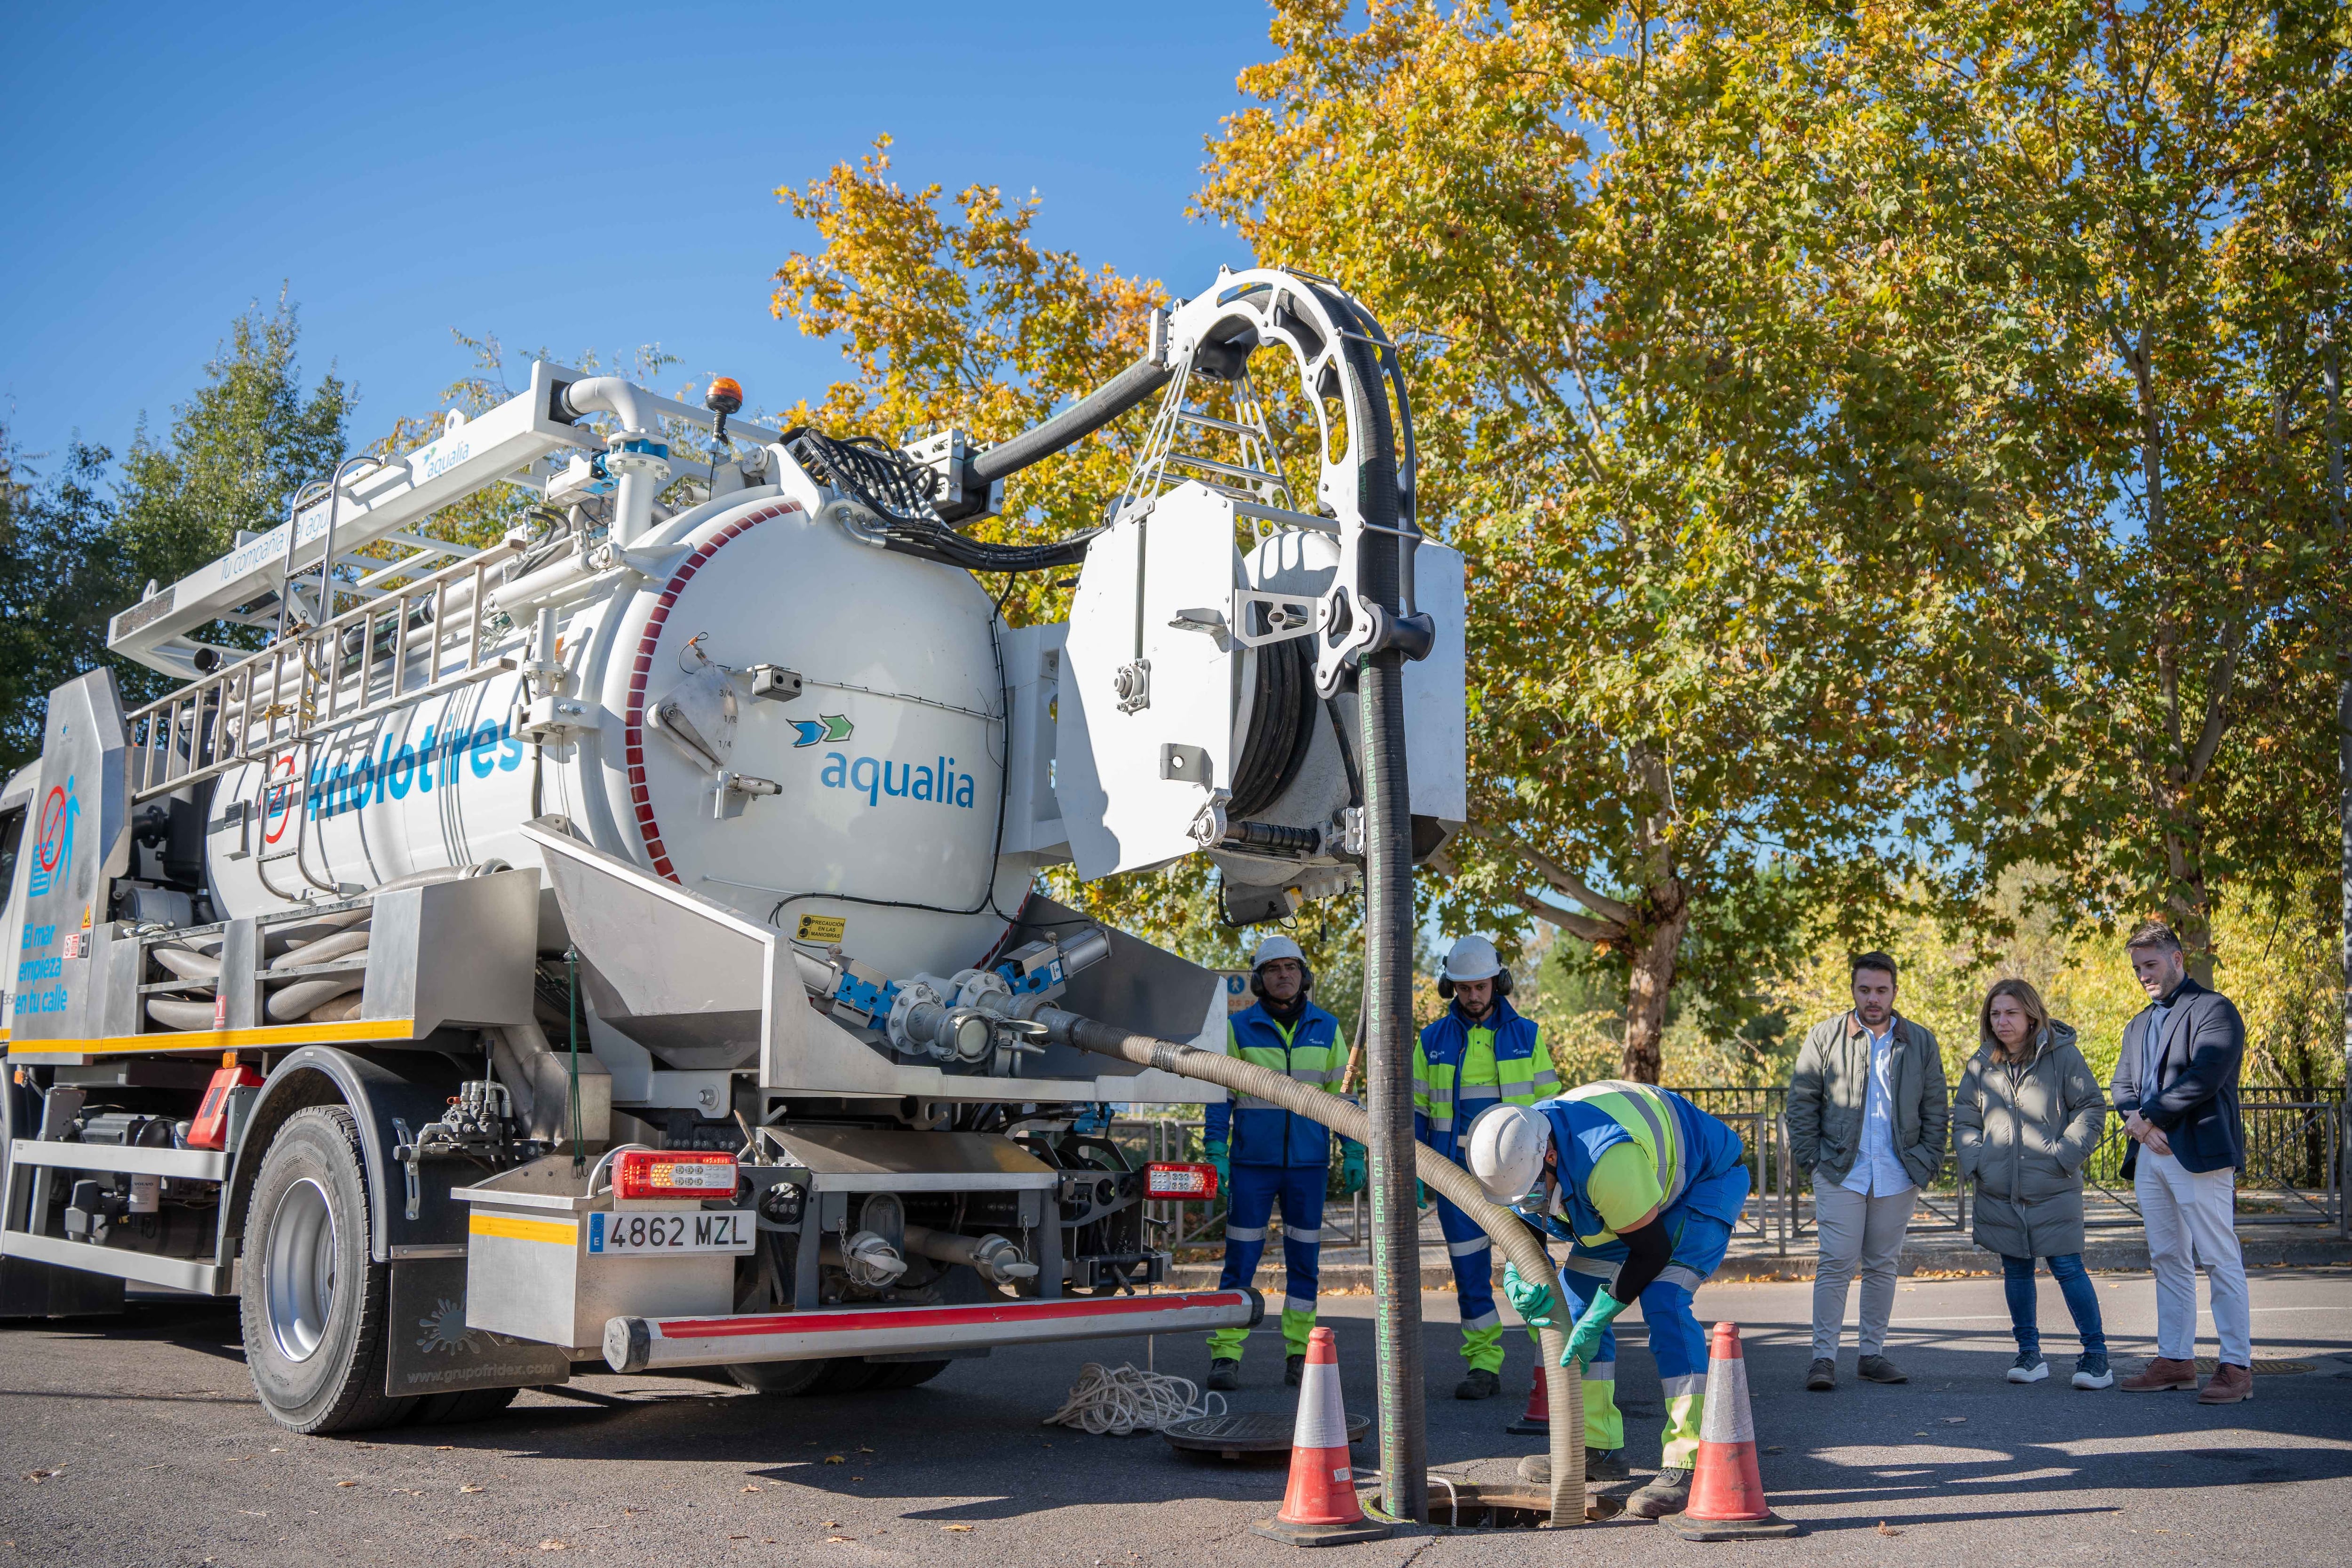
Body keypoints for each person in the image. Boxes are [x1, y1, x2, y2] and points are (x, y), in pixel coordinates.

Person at [1471, 1082, 1752, 1519]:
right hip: (1626, 1200)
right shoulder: (1517, 1152)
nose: (1529, 1203)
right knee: (1574, 1305)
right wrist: (1516, 1273)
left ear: (1550, 1158)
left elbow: (1651, 1251)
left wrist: (1602, 1315)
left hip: (1702, 1182)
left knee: (1664, 1299)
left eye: (1532, 1192)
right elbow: (1524, 1223)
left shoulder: (1605, 1160)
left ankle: (1692, 1459)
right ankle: (1597, 1448)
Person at [1785, 951, 1950, 1391]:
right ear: (1853, 990)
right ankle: (1823, 1359)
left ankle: (1871, 1355)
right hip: (1841, 1170)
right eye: (1864, 990)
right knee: (1836, 1262)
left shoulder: (1920, 1041)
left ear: (1894, 991)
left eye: (1881, 990)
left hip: (1899, 1172)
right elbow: (1801, 1103)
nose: (1873, 999)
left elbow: (1936, 1107)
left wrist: (1927, 1160)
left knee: (1882, 1265)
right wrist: (1813, 1161)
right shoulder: (1825, 1036)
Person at [1202, 935, 1359, 1390]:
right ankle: (1226, 1354)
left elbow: (1344, 1097)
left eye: (1291, 967)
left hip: (1308, 1167)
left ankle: (1299, 1353)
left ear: (1303, 975)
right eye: (1273, 969)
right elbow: (1219, 1096)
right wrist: (1216, 1152)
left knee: (1304, 1264)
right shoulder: (1237, 1029)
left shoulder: (1328, 1028)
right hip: (1251, 1166)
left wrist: (1353, 1149)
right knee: (1240, 1261)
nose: (1283, 975)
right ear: (1260, 979)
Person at [2109, 921, 2251, 1403]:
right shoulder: (2137, 1024)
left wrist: (2147, 1118)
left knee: (2217, 1256)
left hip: (2198, 1151)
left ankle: (2236, 1366)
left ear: (2176, 959)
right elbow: (2122, 1086)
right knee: (2167, 1258)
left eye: (2150, 964)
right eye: (2136, 968)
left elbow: (2204, 1076)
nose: (2143, 975)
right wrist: (2141, 1127)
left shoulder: (2214, 1009)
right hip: (2150, 1155)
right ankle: (2175, 1359)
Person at [1413, 935, 1559, 1402]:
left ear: (1499, 982)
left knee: (1534, 1268)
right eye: (1464, 988)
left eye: (1481, 986)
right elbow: (1417, 1110)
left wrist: (1554, 1170)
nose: (1473, 996)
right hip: (1455, 1174)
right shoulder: (1431, 1041)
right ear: (1450, 987)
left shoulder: (1528, 1035)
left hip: (1526, 1174)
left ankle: (1550, 1363)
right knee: (1469, 1272)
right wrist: (1416, 1168)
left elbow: (1552, 1108)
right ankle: (1482, 1364)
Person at [1953, 979, 2112, 1388]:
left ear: (2031, 1015)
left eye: (2011, 1013)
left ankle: (2096, 1356)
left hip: (2053, 1184)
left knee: (2068, 1267)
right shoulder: (1981, 1063)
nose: (2002, 1021)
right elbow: (1966, 1118)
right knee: (2016, 1269)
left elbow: (2091, 1107)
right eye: (1995, 1014)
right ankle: (2029, 1354)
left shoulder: (2063, 1056)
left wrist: (2064, 1157)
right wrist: (1978, 1162)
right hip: (1999, 1188)